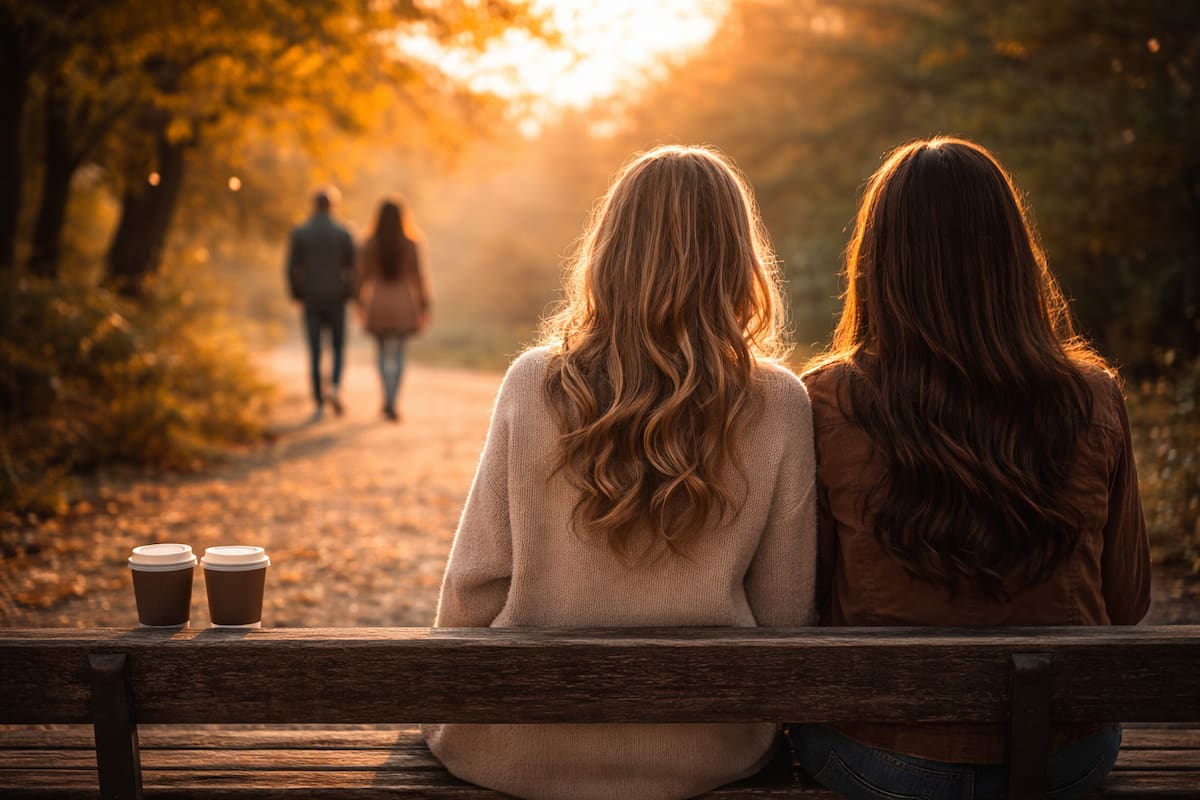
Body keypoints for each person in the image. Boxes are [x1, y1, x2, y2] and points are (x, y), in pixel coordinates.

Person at [421, 145, 819, 800]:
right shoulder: (779, 402)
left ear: (610, 252)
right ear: (738, 262)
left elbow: (471, 590)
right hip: (703, 753)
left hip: (518, 749)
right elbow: (784, 615)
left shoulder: (533, 382)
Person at [795, 138, 1152, 800]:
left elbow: (803, 599)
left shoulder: (827, 401)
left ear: (878, 263)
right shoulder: (1092, 397)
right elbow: (1126, 601)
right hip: (1063, 757)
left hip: (882, 756)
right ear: (1012, 257)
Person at [355, 197, 431, 422]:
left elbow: (361, 276)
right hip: (402, 303)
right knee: (398, 353)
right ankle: (392, 401)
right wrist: (424, 305)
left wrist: (359, 302)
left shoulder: (369, 243)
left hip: (378, 302)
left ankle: (385, 398)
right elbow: (420, 277)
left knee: (380, 353)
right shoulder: (411, 243)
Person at [286, 187, 356, 420]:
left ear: (314, 205)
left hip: (311, 298)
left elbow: (291, 268)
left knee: (315, 351)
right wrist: (350, 294)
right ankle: (334, 387)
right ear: (333, 206)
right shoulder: (343, 232)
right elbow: (353, 268)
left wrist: (297, 294)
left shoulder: (301, 232)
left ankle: (318, 403)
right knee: (337, 348)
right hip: (336, 298)